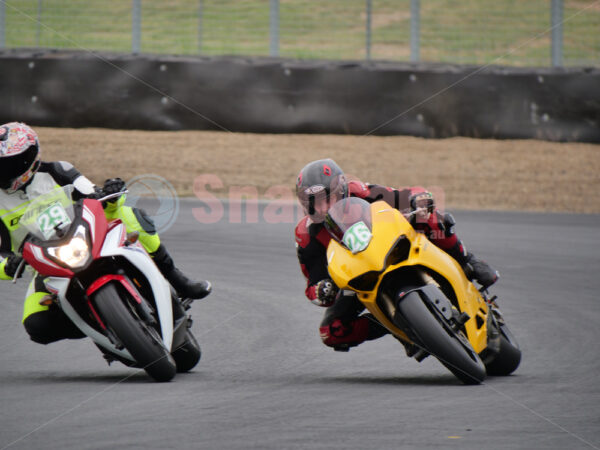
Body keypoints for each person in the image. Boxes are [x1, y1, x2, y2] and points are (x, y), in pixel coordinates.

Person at [0, 122, 211, 345]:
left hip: (89, 237)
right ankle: (98, 322)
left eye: (9, 164)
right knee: (37, 326)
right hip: (45, 266)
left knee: (130, 215)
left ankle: (177, 279)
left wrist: (111, 192)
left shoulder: (58, 170)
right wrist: (7, 265)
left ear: (29, 157)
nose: (4, 171)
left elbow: (94, 196)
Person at [295, 158, 498, 352]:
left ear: (341, 190)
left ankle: (467, 260)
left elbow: (402, 195)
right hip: (358, 278)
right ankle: (399, 325)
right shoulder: (306, 235)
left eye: (326, 199)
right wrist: (322, 290)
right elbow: (312, 284)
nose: (321, 208)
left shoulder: (359, 192)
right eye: (313, 203)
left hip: (392, 246)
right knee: (331, 332)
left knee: (426, 216)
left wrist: (417, 200)